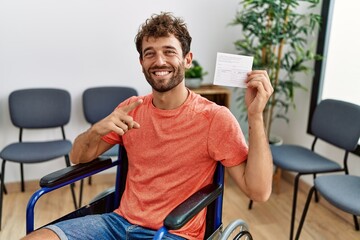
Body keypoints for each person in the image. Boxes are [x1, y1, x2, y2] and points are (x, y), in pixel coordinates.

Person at [22, 12, 273, 240]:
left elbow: (259, 192)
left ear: (187, 60)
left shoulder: (215, 118)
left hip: (173, 232)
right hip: (117, 224)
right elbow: (78, 157)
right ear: (141, 62)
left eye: (169, 51)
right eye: (149, 53)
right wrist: (98, 129)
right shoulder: (131, 109)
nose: (159, 61)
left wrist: (255, 116)